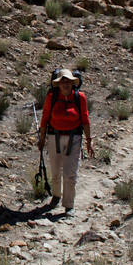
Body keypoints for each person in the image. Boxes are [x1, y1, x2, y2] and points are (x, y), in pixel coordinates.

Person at [37, 68, 93, 212]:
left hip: (74, 138)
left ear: (73, 83)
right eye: (63, 82)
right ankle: (56, 195)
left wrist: (89, 140)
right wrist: (42, 138)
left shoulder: (80, 97)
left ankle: (68, 205)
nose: (65, 84)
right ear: (58, 84)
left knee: (70, 174)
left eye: (68, 81)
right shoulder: (52, 97)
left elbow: (85, 119)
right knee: (55, 171)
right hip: (53, 137)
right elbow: (45, 117)